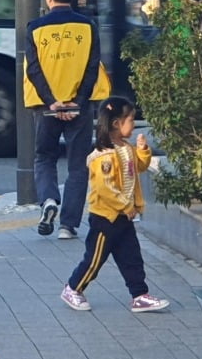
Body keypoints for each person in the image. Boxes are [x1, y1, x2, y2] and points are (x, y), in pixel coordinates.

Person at [60, 96, 169, 313]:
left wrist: (143, 151)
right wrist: (125, 206)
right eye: (130, 120)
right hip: (105, 218)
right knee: (95, 259)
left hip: (123, 216)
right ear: (116, 124)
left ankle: (139, 294)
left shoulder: (125, 148)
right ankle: (73, 288)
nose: (133, 124)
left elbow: (138, 167)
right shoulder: (103, 156)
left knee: (132, 257)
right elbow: (105, 188)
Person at [24, 0, 109, 240]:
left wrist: (52, 101)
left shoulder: (35, 28)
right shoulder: (88, 26)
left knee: (44, 158)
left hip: (47, 107)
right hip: (79, 108)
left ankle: (48, 200)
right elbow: (92, 66)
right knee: (77, 166)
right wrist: (78, 100)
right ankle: (67, 225)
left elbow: (34, 70)